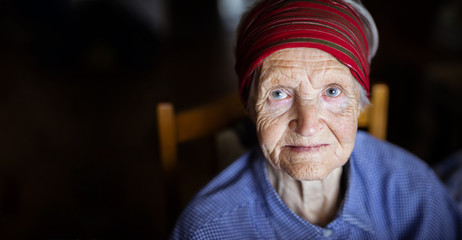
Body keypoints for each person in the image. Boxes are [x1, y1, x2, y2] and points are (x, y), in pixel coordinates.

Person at [171, 0, 462, 239]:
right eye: (279, 93)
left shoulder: (417, 194)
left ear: (359, 104)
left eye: (332, 91)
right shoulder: (206, 230)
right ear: (249, 106)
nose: (308, 126)